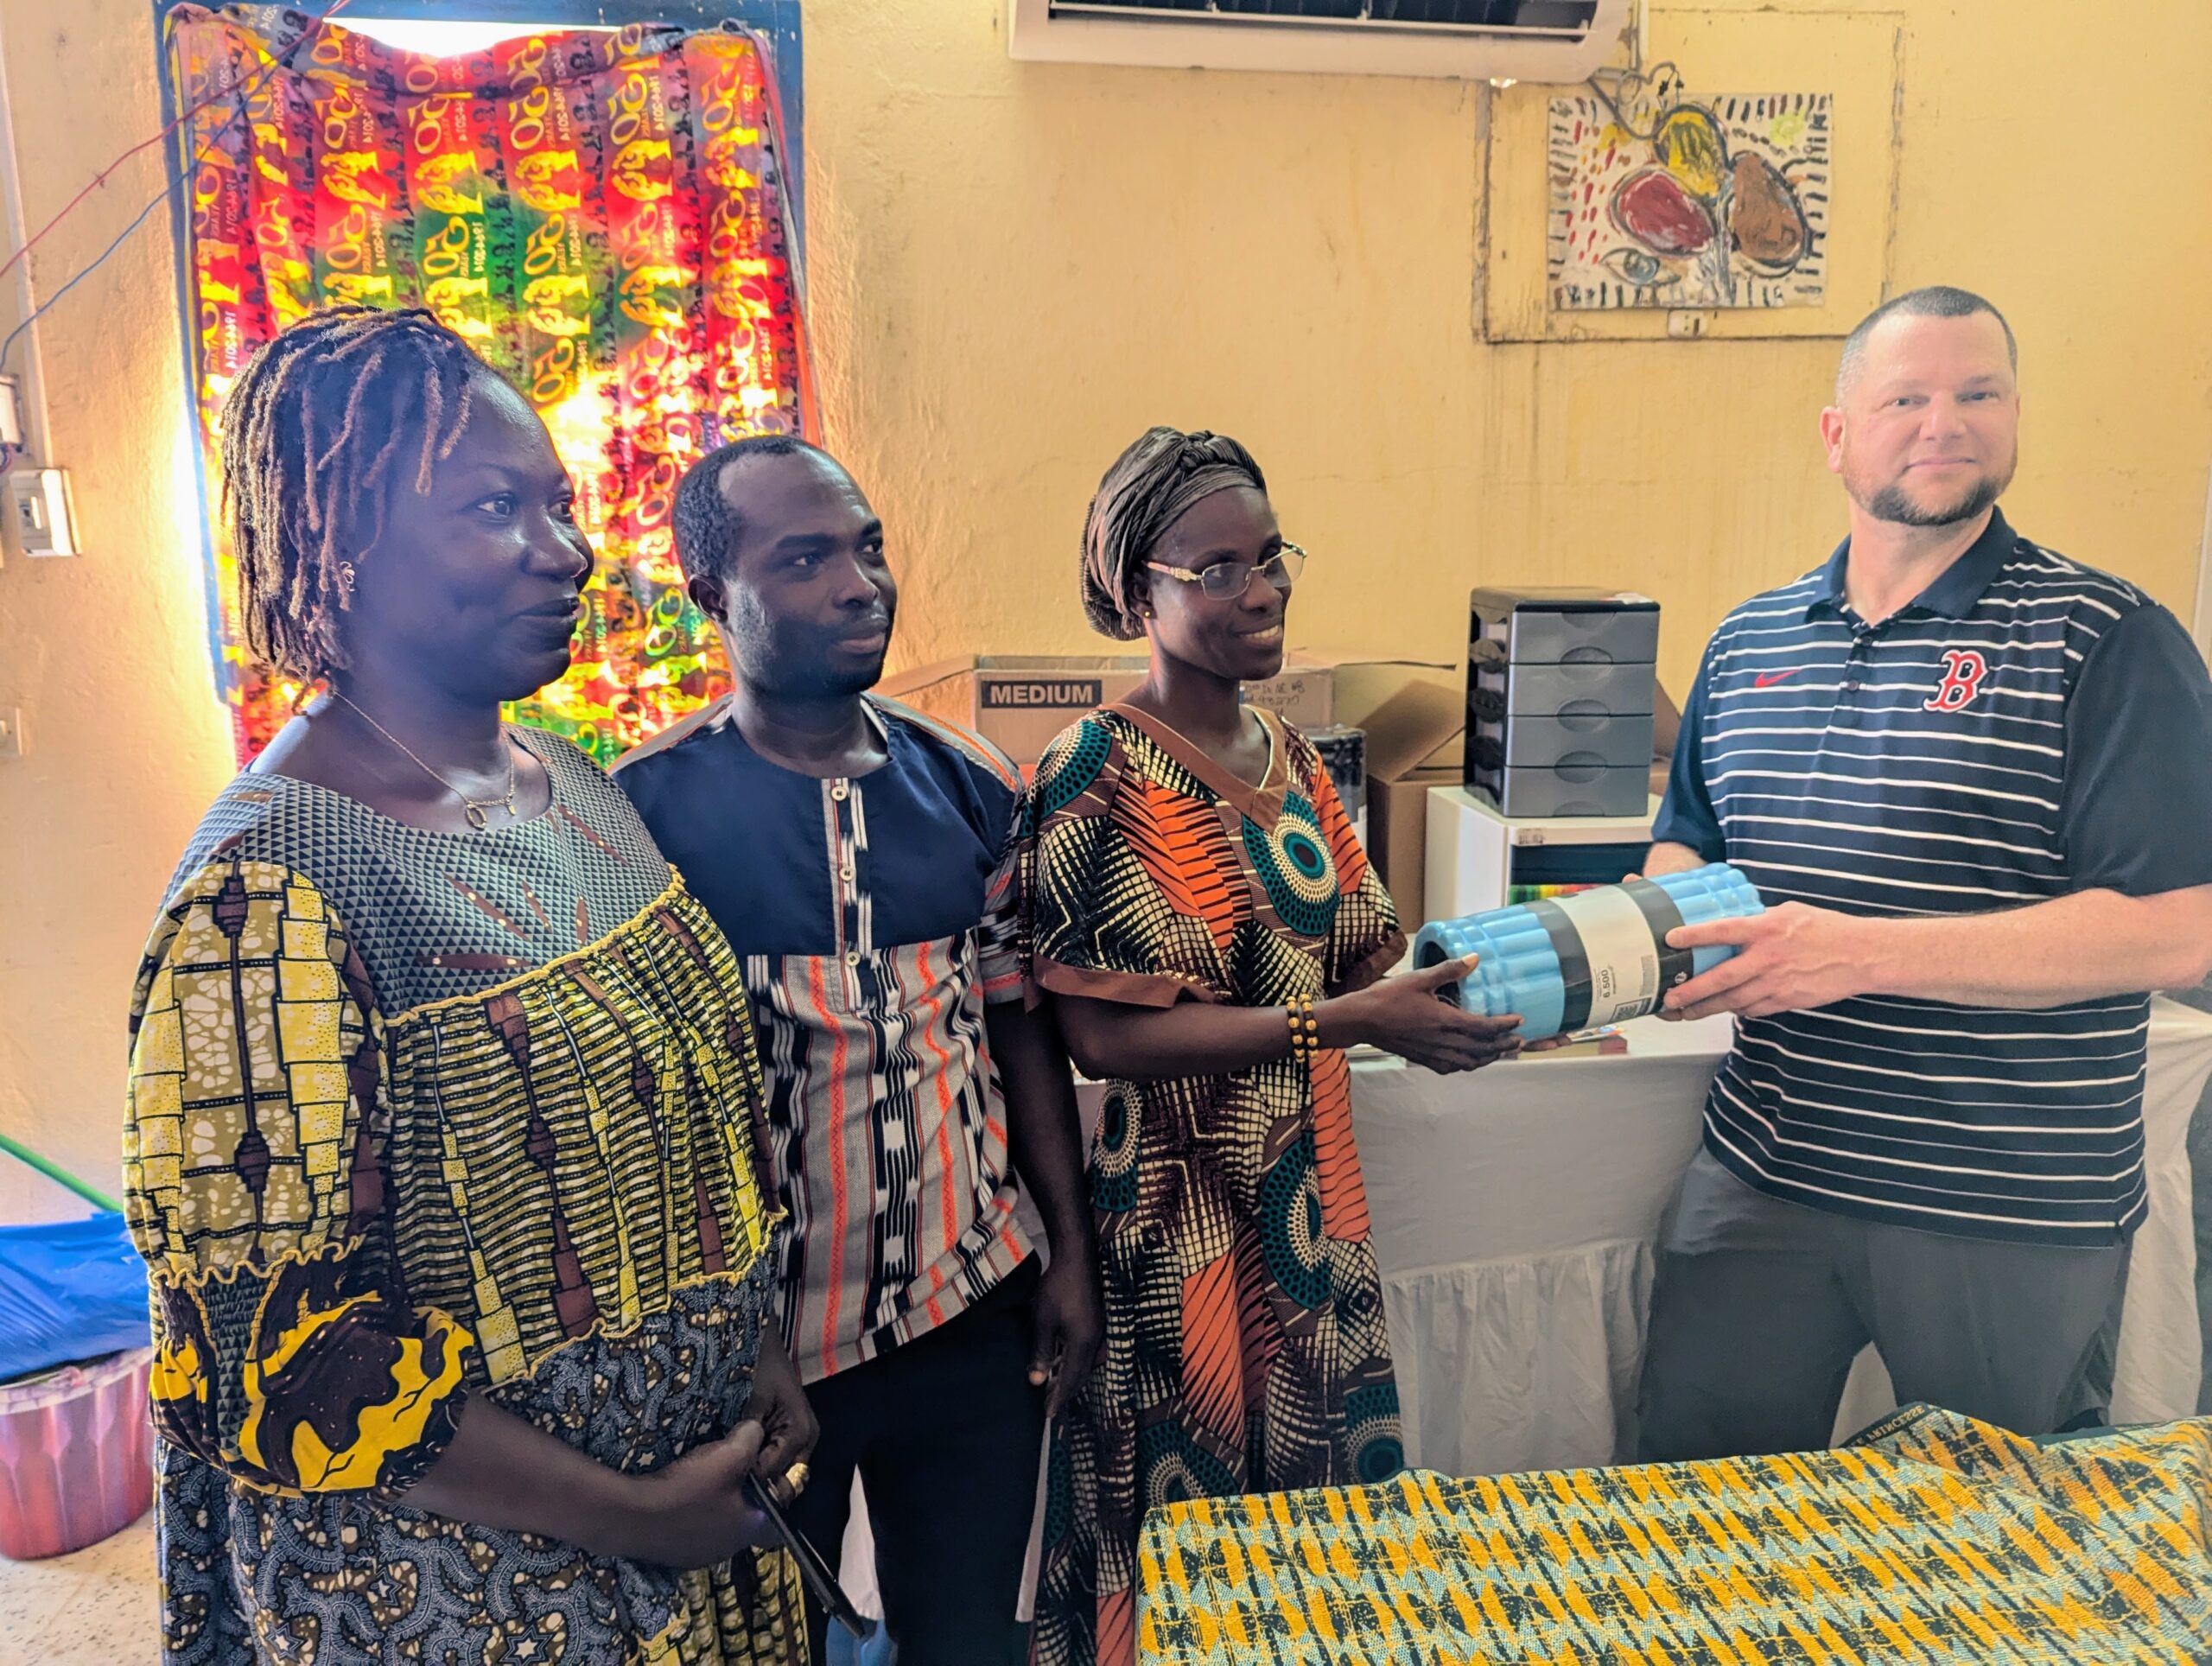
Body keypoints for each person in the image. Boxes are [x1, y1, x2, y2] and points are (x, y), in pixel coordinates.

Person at [124, 308, 817, 1665]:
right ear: (344, 543)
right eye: (493, 508)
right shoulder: (270, 893)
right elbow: (276, 1360)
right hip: (472, 1597)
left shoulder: (573, 785)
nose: (564, 549)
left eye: (556, 504)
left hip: (697, 1530)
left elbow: (685, 1126)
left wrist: (758, 1353)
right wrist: (629, 1515)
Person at [1635, 286, 2212, 1460]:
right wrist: (1619, 956)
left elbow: (2181, 927)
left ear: (2015, 420)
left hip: (2008, 1210)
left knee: (2001, 1555)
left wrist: (1860, 953)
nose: (1944, 422)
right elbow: (1688, 839)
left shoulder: (2106, 637)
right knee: (1695, 1511)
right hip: (1765, 1177)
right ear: (1839, 433)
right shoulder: (1750, 640)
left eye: (1979, 394)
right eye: (1907, 397)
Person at [1023, 427, 1525, 1666]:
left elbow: (1362, 952)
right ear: (1138, 590)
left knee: (1312, 1520)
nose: (1263, 591)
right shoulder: (1096, 770)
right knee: (1184, 1526)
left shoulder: (1296, 759)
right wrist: (1345, 1025)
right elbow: (1097, 1035)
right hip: (1180, 1220)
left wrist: (1535, 970)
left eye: (1272, 557)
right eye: (1219, 570)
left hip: (1309, 1197)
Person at [613, 436, 1103, 1666]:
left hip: (970, 1312)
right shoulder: (637, 821)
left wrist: (1065, 1257)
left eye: (868, 547)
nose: (860, 584)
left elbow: (1019, 1029)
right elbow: (643, 1121)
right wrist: (746, 1340)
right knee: (774, 1645)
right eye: (806, 559)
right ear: (711, 597)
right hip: (768, 1362)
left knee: (970, 1641)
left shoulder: (970, 783)